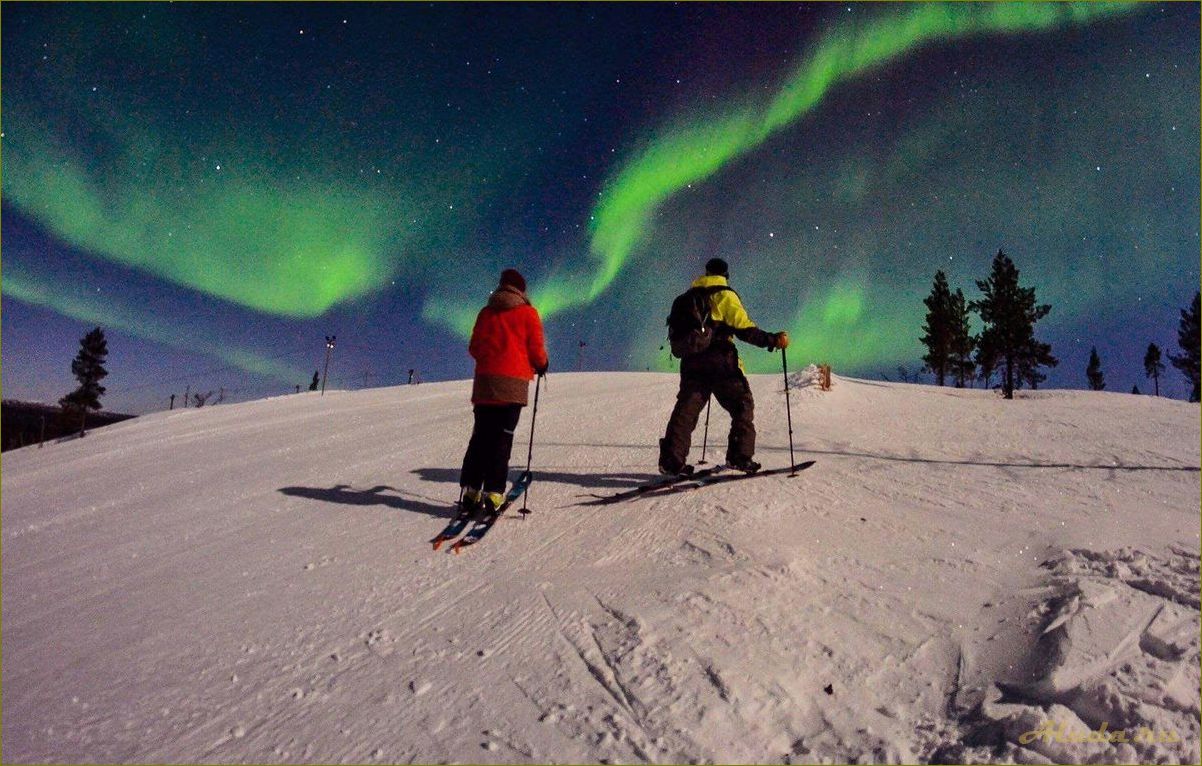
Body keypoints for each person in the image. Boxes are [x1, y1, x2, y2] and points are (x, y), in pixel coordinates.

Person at [659, 257, 788, 475]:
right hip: (720, 359)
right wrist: (773, 340)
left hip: (691, 360)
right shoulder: (724, 294)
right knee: (742, 404)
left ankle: (671, 461)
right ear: (725, 275)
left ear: (707, 273)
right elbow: (744, 329)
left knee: (687, 409)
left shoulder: (689, 296)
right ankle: (739, 456)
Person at [459, 268, 549, 514]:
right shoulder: (528, 314)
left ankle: (471, 490)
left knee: (480, 437)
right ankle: (494, 492)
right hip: (512, 386)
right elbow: (536, 349)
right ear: (521, 290)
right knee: (502, 438)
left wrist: (492, 359)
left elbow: (475, 348)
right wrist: (541, 364)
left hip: (486, 384)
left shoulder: (486, 313)